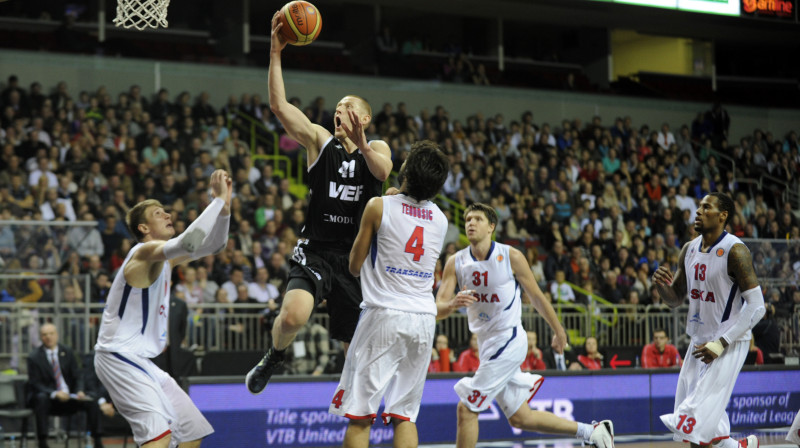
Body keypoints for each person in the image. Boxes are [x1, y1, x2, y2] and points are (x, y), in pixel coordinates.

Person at [246, 11, 392, 395]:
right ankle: (275, 355)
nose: (338, 111)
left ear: (364, 116)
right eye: (337, 107)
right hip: (316, 249)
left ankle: (359, 405)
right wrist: (276, 53)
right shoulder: (320, 141)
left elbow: (382, 171)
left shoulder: (375, 147)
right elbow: (279, 108)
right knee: (293, 316)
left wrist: (362, 143)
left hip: (356, 259)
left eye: (346, 106)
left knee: (355, 349)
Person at [436, 203, 614, 448]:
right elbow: (437, 310)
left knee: (466, 408)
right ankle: (593, 432)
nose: (470, 223)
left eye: (477, 219)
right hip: (486, 344)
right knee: (521, 417)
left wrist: (558, 330)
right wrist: (453, 304)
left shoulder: (511, 256)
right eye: (467, 219)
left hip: (509, 339)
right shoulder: (455, 261)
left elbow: (538, 297)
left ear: (491, 227)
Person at [94, 170, 232, 448]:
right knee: (159, 436)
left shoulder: (164, 259)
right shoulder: (142, 252)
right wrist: (215, 202)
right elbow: (190, 241)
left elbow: (215, 244)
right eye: (159, 213)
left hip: (138, 359)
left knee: (192, 430)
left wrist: (225, 208)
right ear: (143, 228)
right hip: (118, 355)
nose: (168, 215)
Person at [327, 141, 449, 448]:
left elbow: (354, 266)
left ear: (405, 171)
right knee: (404, 415)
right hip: (423, 318)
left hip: (383, 313)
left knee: (360, 415)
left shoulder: (378, 206)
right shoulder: (441, 219)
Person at [653, 192, 765, 448]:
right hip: (699, 342)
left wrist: (722, 342)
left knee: (695, 421)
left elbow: (758, 306)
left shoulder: (735, 251)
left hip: (729, 340)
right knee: (703, 425)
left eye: (706, 207)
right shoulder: (689, 249)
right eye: (699, 206)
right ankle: (740, 447)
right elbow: (676, 298)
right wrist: (662, 287)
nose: (698, 211)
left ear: (722, 215)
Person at [27, 323, 104, 448]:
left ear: (57, 335)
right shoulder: (34, 357)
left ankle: (98, 440)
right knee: (41, 398)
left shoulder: (67, 351)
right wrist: (55, 393)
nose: (48, 337)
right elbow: (35, 383)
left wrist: (79, 390)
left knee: (92, 400)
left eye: (51, 333)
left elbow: (78, 375)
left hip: (70, 397)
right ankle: (43, 442)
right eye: (45, 334)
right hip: (50, 399)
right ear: (41, 337)